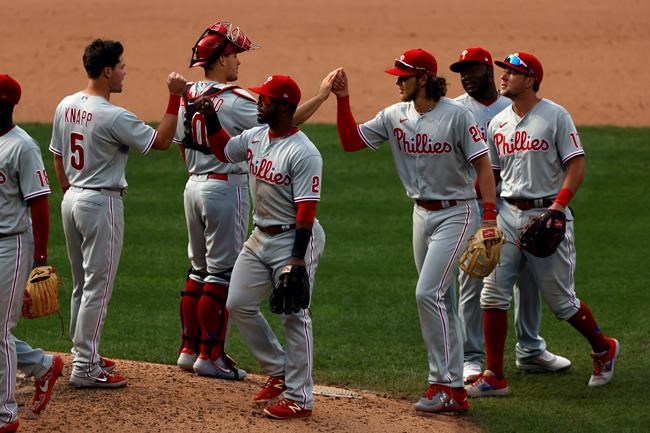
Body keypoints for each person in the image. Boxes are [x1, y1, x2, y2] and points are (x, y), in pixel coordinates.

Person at [331, 49, 498, 414]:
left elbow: (484, 166)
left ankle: (444, 384)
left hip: (458, 213)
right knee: (442, 300)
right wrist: (343, 100)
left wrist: (488, 218)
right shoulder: (395, 115)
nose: (396, 81)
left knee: (428, 293)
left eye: (403, 76)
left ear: (423, 79)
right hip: (421, 215)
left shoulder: (458, 115)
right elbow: (350, 141)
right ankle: (452, 386)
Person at [174, 21, 338, 381]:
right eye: (234, 55)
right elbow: (285, 121)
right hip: (224, 187)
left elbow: (182, 144)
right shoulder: (236, 100)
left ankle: (189, 348)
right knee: (220, 275)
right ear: (220, 59)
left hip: (192, 185)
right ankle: (212, 354)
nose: (238, 63)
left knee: (197, 270)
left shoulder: (188, 94)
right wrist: (323, 95)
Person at [465, 52, 619, 397]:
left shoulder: (555, 116)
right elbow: (493, 174)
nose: (502, 77)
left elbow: (576, 166)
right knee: (492, 295)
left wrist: (558, 208)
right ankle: (494, 376)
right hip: (507, 214)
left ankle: (603, 347)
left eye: (511, 72)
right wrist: (488, 215)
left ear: (531, 79)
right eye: (503, 71)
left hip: (546, 216)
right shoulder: (498, 123)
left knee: (562, 302)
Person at [49, 39, 187, 388]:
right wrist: (175, 96)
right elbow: (160, 141)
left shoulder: (66, 105)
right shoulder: (113, 115)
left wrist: (70, 190)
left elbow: (56, 154)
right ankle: (85, 367)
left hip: (72, 201)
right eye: (122, 66)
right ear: (107, 71)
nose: (125, 71)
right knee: (98, 286)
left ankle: (85, 354)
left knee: (83, 284)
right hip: (100, 204)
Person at [197, 75, 326, 419]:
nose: (258, 103)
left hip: (294, 238)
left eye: (265, 99)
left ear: (283, 106)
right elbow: (224, 149)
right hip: (260, 237)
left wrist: (297, 259)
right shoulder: (256, 137)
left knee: (295, 315)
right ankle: (279, 369)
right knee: (238, 303)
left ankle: (301, 397)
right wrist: (210, 117)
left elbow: (306, 211)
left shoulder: (304, 153)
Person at [449, 47, 570, 383]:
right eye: (462, 71)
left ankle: (530, 348)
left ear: (490, 70)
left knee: (528, 278)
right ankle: (472, 357)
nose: (466, 76)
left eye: (473, 69)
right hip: (471, 206)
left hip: (510, 205)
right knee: (475, 278)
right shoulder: (455, 110)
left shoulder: (512, 107)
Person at [0, 74, 64, 433]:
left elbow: (39, 205)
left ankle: (5, 415)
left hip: (12, 245)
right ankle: (42, 365)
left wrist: (39, 259)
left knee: (0, 330)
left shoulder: (22, 147)